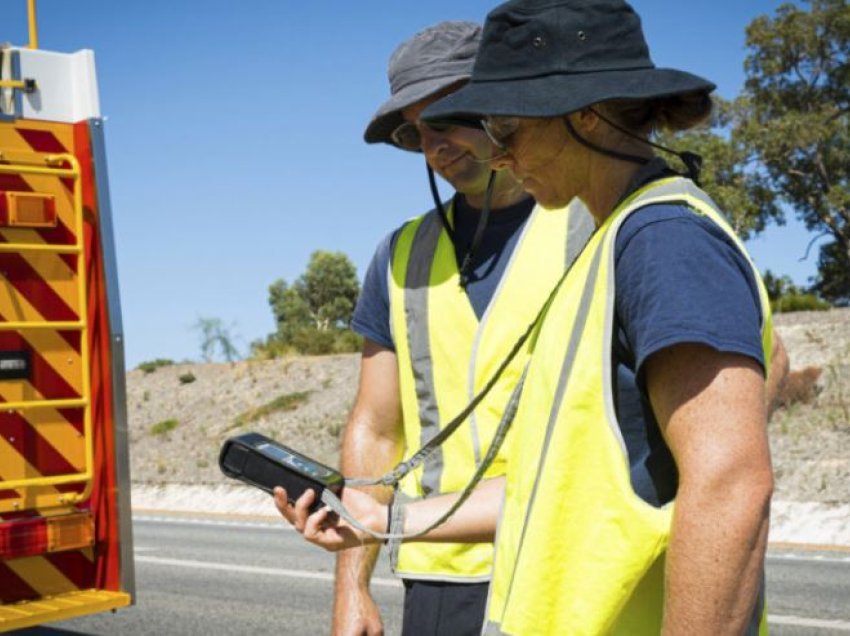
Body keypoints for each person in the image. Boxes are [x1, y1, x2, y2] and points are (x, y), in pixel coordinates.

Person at [277, 4, 790, 633]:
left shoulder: (659, 238)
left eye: (504, 125)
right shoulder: (608, 243)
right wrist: (380, 523)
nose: (495, 150)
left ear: (582, 114)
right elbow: (555, 482)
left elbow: (730, 484)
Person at [329, 20, 593, 636]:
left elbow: (755, 378)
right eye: (416, 133)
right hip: (442, 575)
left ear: (507, 103)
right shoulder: (401, 256)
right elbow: (375, 426)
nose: (434, 147)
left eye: (448, 118)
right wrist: (351, 589)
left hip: (572, 567)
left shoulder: (600, 221)